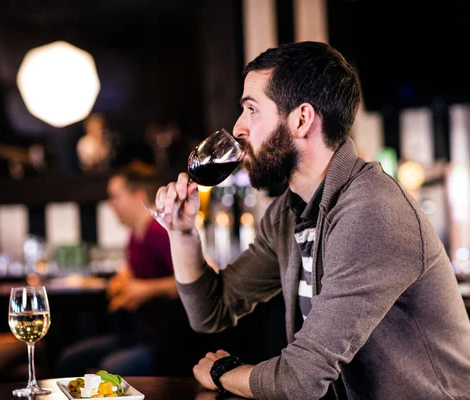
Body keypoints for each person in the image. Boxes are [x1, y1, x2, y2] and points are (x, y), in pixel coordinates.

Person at [155, 41, 470, 399]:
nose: (239, 128)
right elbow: (211, 311)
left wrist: (224, 371)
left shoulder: (372, 212)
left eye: (251, 110)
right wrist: (182, 233)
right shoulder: (289, 213)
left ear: (301, 119)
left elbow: (298, 381)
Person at [56, 162, 185, 377]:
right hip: (138, 334)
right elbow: (133, 271)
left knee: (111, 368)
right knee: (70, 359)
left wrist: (145, 289)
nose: (110, 204)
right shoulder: (136, 234)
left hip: (169, 340)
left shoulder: (158, 231)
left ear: (139, 195)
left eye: (115, 196)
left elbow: (195, 280)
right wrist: (122, 281)